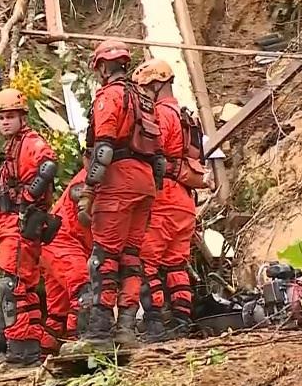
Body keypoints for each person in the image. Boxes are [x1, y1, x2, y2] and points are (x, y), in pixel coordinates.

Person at [63, 40, 163, 353]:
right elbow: (159, 158)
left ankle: (99, 332)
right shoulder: (144, 98)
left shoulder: (110, 95)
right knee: (132, 258)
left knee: (104, 257)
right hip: (144, 183)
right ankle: (127, 330)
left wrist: (89, 189)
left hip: (118, 180)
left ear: (104, 67)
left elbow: (103, 148)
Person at [132, 59, 210, 342]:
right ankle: (182, 323)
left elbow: (153, 152)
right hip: (184, 199)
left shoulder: (161, 115)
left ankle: (157, 325)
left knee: (145, 263)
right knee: (176, 264)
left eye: (144, 89)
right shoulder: (185, 115)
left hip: (163, 196)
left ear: (155, 85)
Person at [0, 88, 58, 366]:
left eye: (10, 116)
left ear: (22, 117)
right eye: (1, 117)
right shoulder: (11, 147)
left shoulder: (30, 143)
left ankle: (20, 350)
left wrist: (28, 197)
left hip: (19, 223)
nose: (5, 122)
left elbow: (48, 166)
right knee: (23, 288)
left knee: (11, 286)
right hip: (9, 223)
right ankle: (28, 347)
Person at [39, 155, 92, 355]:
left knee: (58, 314)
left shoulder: (91, 176)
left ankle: (45, 354)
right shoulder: (90, 179)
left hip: (56, 244)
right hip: (64, 242)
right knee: (83, 293)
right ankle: (80, 344)